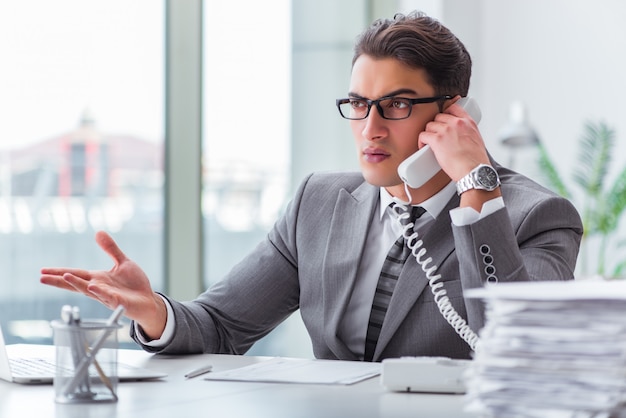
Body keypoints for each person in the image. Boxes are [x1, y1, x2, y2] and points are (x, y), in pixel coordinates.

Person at [40, 11, 583, 361]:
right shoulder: (318, 203)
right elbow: (222, 326)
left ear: (455, 114)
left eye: (396, 105)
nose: (369, 128)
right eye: (358, 105)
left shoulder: (539, 216)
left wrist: (477, 187)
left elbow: (519, 352)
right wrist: (155, 311)